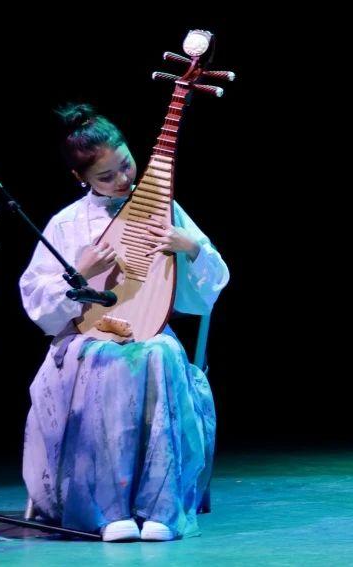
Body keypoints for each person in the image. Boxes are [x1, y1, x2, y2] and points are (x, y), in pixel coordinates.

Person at [17, 103, 230, 542]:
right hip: (82, 340)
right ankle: (105, 510)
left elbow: (210, 285)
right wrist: (79, 273)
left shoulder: (163, 207)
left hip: (148, 333)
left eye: (127, 165)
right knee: (104, 362)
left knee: (162, 352)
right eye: (106, 176)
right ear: (80, 178)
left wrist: (190, 248)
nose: (122, 180)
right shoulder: (67, 224)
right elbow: (38, 304)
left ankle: (161, 510)